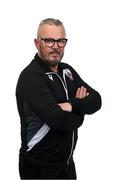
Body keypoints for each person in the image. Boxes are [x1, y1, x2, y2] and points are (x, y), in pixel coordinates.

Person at [16, 18, 102, 179]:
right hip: (40, 168)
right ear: (37, 43)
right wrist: (80, 110)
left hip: (67, 164)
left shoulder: (67, 71)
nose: (55, 46)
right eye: (49, 41)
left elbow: (96, 100)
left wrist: (70, 106)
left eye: (60, 41)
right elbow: (59, 121)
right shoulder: (31, 77)